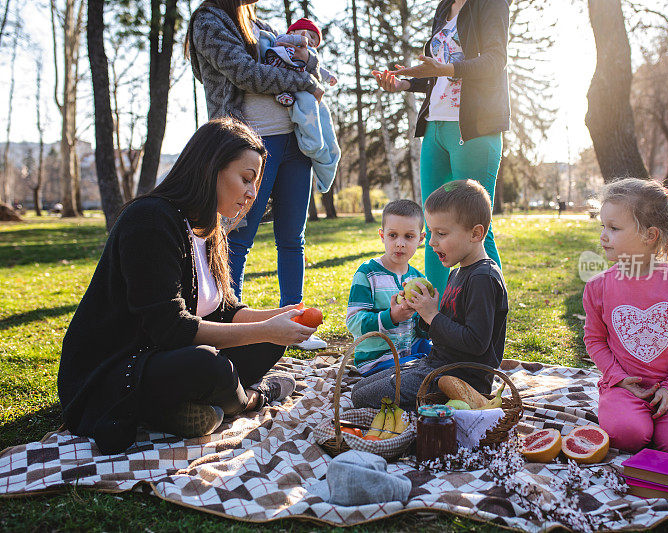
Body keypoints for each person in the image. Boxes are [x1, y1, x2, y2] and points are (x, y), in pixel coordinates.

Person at [57, 119, 318, 455]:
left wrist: (279, 318)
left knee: (272, 342)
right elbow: (169, 327)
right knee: (209, 365)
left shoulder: (210, 229)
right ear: (211, 168)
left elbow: (224, 311)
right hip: (115, 370)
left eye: (257, 183)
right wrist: (265, 329)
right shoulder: (151, 219)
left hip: (164, 359)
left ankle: (177, 412)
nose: (253, 193)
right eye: (246, 179)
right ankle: (252, 398)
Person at [186, 0, 327, 349]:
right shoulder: (208, 20)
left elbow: (303, 54)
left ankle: (295, 323)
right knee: (237, 237)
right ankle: (228, 326)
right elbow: (246, 73)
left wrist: (309, 63)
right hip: (248, 142)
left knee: (293, 237)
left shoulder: (256, 21)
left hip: (295, 140)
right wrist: (305, 79)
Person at [371, 0, 511, 298]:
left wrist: (445, 67)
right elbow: (438, 77)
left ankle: (489, 314)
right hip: (435, 127)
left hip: (474, 127)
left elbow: (495, 61)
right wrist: (404, 85)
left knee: (476, 228)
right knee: (435, 228)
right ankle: (435, 317)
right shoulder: (444, 7)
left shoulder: (491, 4)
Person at [352, 180, 509, 410]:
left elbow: (476, 343)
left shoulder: (483, 278)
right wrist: (421, 313)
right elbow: (444, 330)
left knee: (363, 398)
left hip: (457, 379)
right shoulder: (458, 272)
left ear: (476, 233)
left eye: (441, 233)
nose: (432, 242)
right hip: (436, 364)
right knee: (359, 389)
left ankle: (449, 408)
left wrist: (433, 315)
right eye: (432, 232)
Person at [583, 178, 668, 459]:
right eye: (602, 226)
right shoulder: (597, 287)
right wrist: (618, 378)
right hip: (624, 388)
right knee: (627, 435)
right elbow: (594, 339)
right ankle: (635, 418)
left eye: (614, 228)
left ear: (650, 235)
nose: (603, 235)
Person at [346, 200, 432, 377]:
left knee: (450, 359)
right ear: (382, 235)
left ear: (421, 239)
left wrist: (427, 314)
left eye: (409, 236)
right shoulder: (367, 273)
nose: (400, 243)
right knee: (419, 374)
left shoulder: (418, 279)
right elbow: (353, 322)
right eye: (393, 235)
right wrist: (391, 317)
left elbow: (421, 331)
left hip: (412, 353)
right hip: (378, 361)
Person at [256, 18, 341, 195]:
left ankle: (313, 140)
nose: (308, 39)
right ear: (291, 32)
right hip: (279, 79)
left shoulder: (309, 55)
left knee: (306, 102)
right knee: (286, 91)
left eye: (313, 40)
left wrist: (328, 77)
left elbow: (319, 71)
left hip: (300, 88)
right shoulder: (280, 41)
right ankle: (284, 97)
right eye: (306, 34)